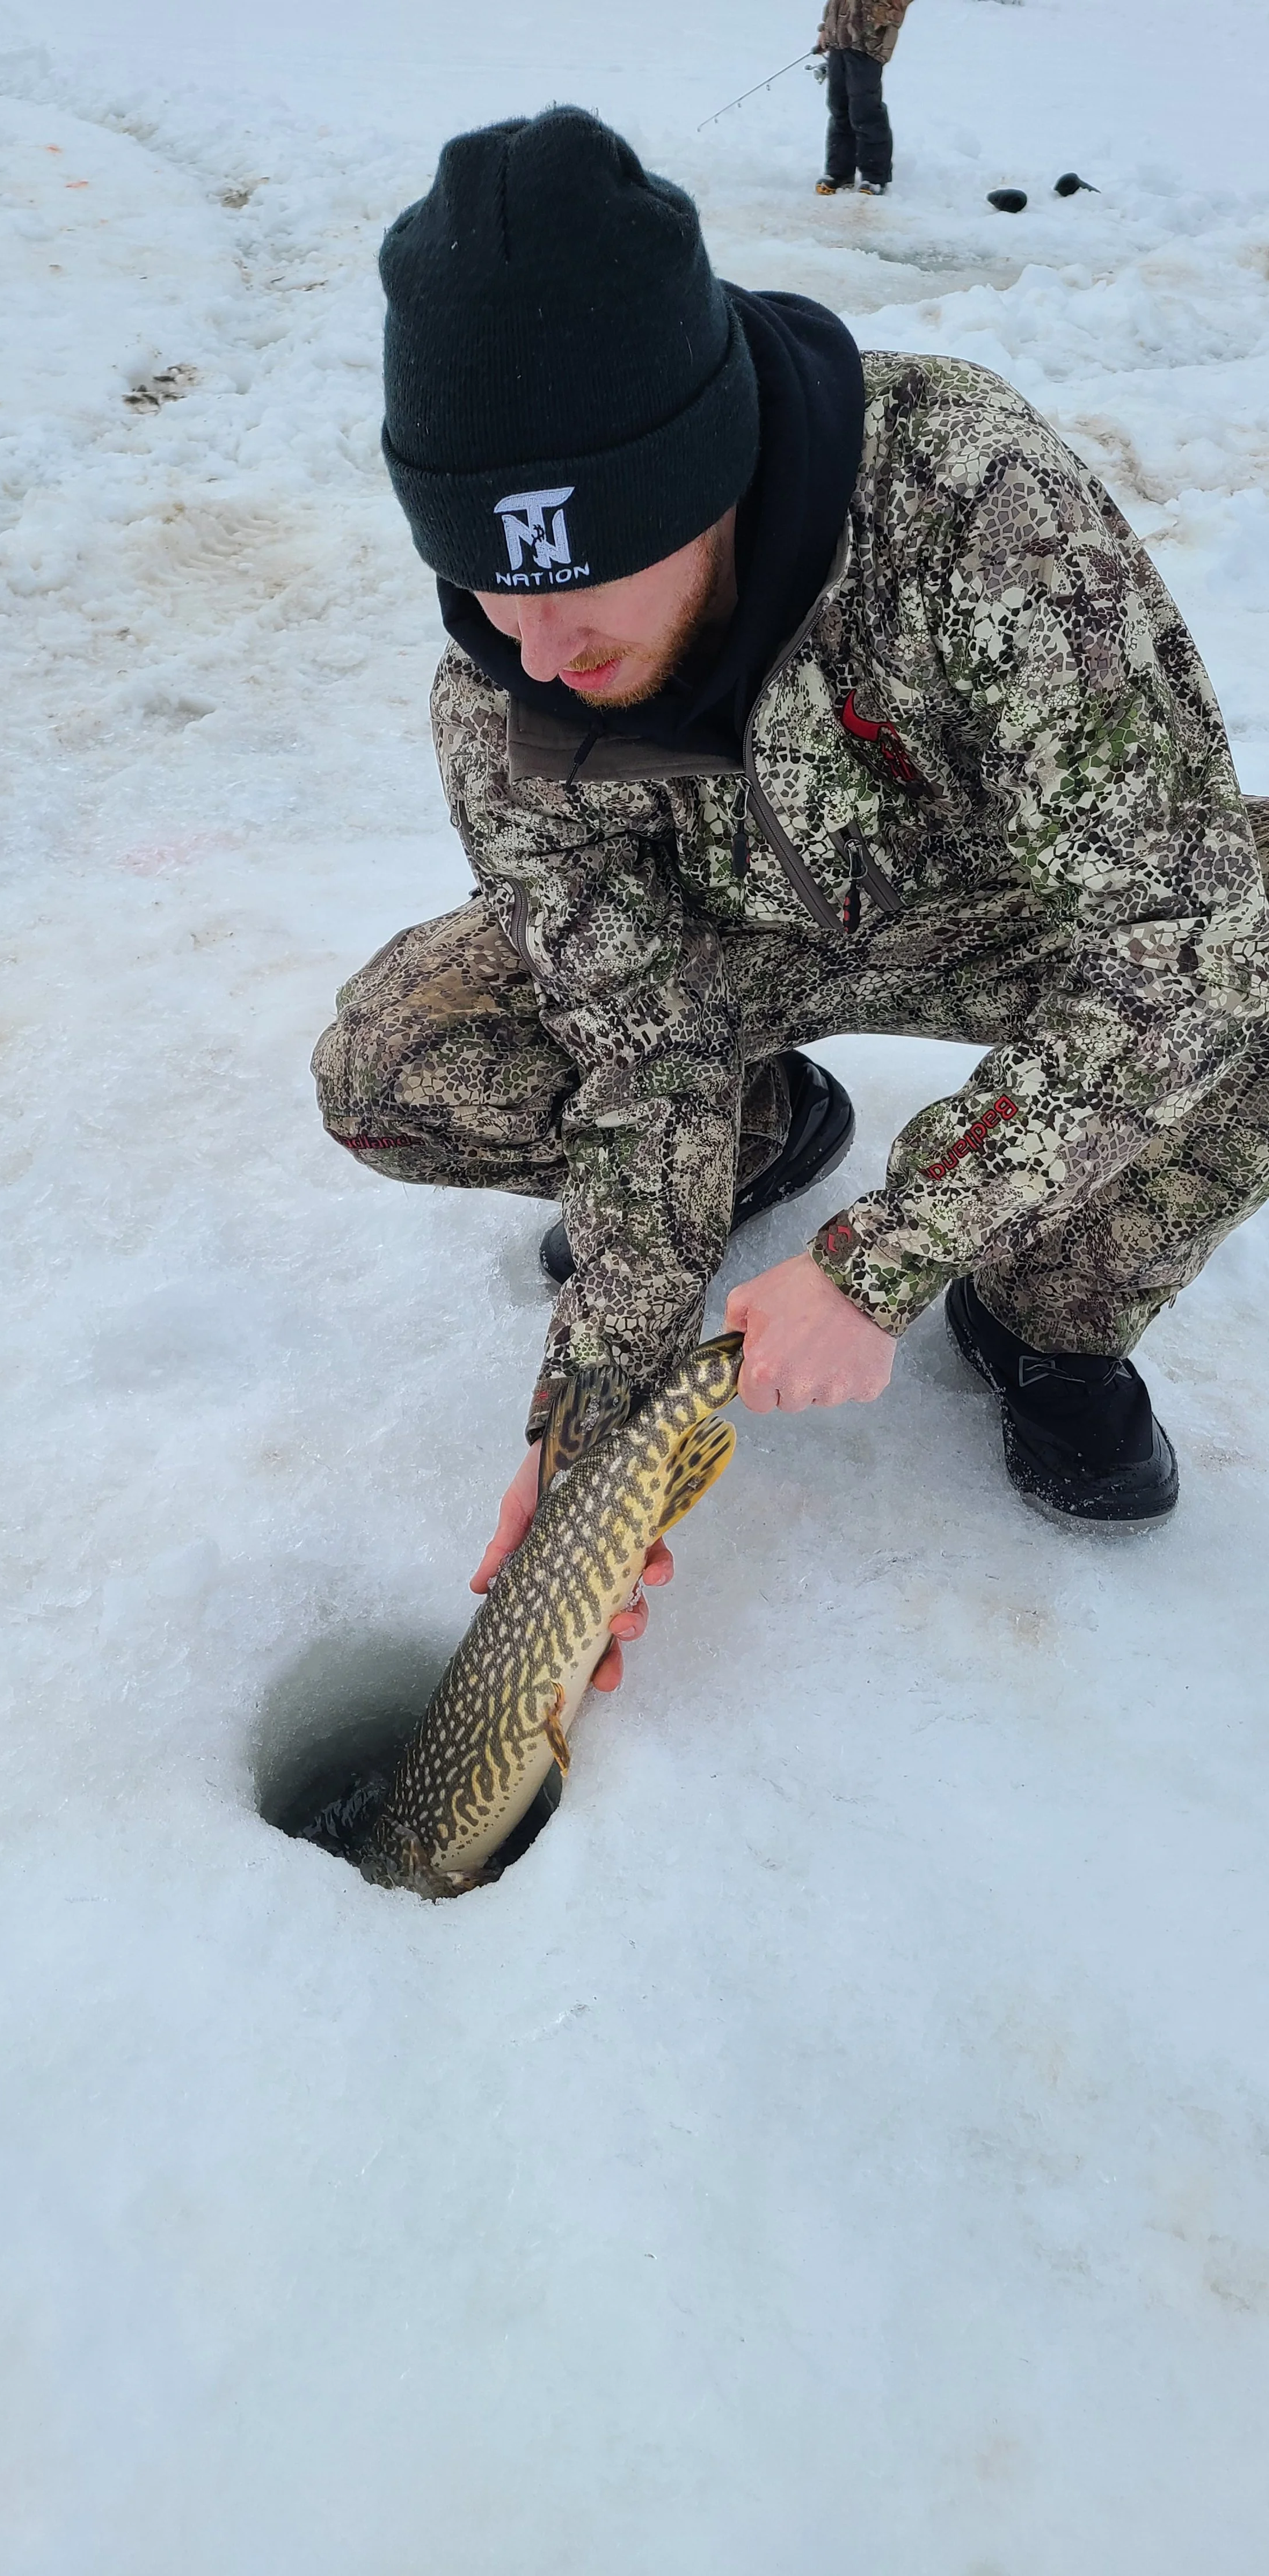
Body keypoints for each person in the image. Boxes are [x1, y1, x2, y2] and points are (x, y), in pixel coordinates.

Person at [314, 107, 1269, 1687]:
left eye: (576, 579)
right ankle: (772, 1129)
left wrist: (880, 1260)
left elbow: (1177, 940)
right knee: (394, 1063)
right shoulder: (509, 692)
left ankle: (1045, 1305)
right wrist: (595, 1440)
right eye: (485, 586)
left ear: (703, 474)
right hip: (731, 962)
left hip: (1017, 919)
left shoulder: (973, 503)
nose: (533, 653)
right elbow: (634, 1037)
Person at [814, 0, 913, 196]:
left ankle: (875, 176)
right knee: (839, 108)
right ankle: (839, 172)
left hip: (869, 44)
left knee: (865, 111)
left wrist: (879, 15)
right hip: (839, 41)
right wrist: (826, 28)